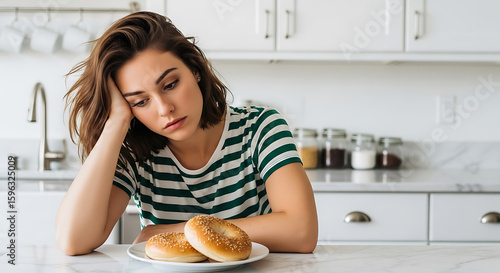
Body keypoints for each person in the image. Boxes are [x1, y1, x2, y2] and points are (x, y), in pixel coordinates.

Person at [56, 11, 318, 256]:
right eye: (140, 101)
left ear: (194, 69)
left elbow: (301, 231)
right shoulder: (134, 154)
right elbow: (73, 241)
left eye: (170, 84)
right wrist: (116, 122)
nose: (164, 109)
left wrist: (169, 231)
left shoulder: (261, 127)